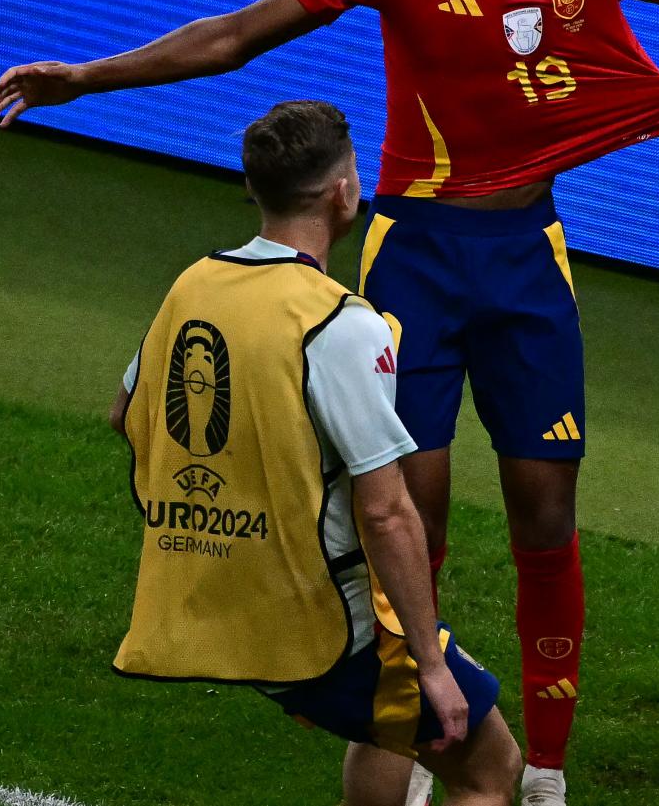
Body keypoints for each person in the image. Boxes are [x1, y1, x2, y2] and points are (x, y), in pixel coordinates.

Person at [0, 0, 659, 800]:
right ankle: (422, 727)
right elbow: (234, 36)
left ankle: (545, 766)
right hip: (418, 256)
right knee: (406, 511)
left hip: (526, 258)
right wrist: (84, 78)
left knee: (545, 513)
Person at [108, 101, 522, 806]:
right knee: (488, 764)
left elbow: (127, 413)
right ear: (343, 193)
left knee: (386, 726)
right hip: (322, 620)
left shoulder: (195, 283)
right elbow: (388, 511)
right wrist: (432, 664)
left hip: (225, 598)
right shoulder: (340, 323)